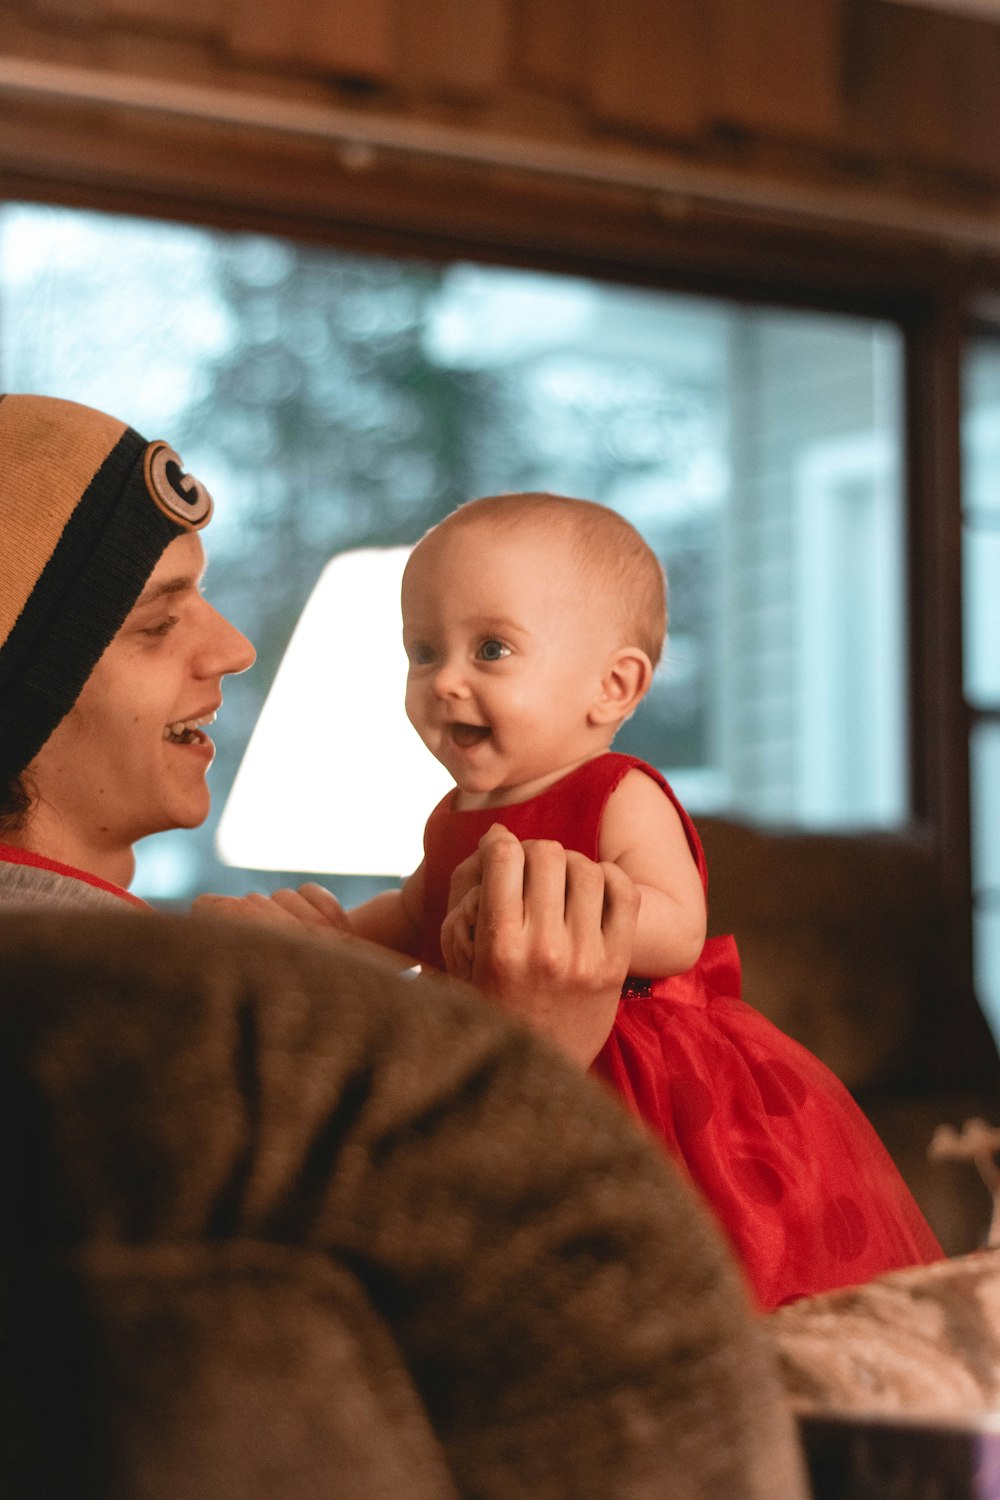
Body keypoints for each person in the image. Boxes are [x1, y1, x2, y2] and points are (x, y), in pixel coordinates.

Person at [281, 491, 945, 1308]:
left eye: (490, 649)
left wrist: (569, 916)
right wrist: (336, 937)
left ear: (613, 686)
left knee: (685, 1261)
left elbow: (677, 928)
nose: (444, 681)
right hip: (506, 1054)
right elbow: (419, 920)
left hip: (649, 1067)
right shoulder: (454, 817)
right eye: (422, 652)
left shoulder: (617, 793)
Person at [0, 395, 638, 1062]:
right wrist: (531, 1050)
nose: (235, 649)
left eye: (203, 597)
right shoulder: (93, 1003)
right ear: (28, 697)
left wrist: (327, 986)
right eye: (157, 624)